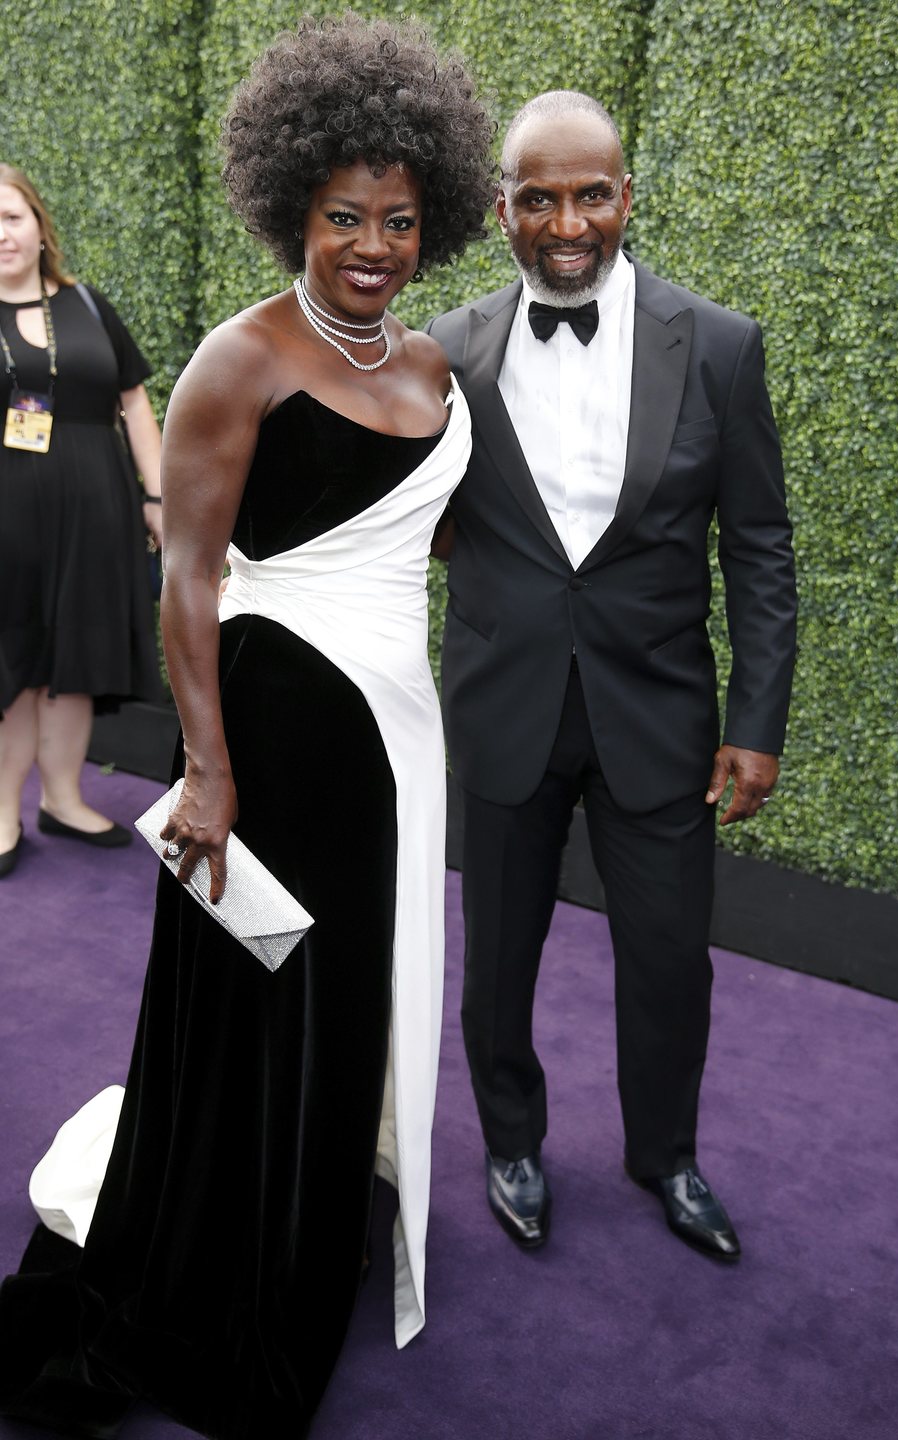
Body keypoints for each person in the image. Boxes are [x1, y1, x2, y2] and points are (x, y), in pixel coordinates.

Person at [0, 15, 491, 1439]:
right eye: (346, 215)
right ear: (294, 206)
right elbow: (192, 579)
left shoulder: (435, 369)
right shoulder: (242, 356)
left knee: (345, 1000)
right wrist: (205, 770)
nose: (374, 244)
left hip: (391, 746)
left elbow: (415, 530)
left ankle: (306, 1214)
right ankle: (221, 1248)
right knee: (257, 1000)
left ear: (434, 221)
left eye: (401, 219)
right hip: (265, 746)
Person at [427, 91, 797, 1259]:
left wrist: (757, 722)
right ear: (504, 211)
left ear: (627, 196)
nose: (568, 221)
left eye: (591, 194)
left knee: (670, 961)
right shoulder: (447, 347)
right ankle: (512, 1142)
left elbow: (759, 547)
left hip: (663, 717)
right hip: (502, 708)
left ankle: (667, 1157)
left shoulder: (722, 345)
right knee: (497, 959)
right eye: (540, 198)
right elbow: (409, 519)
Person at [0, 165, 164, 877]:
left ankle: (62, 799)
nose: (0, 235)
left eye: (9, 217)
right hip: (9, 521)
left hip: (101, 512)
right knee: (15, 662)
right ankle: (2, 808)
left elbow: (133, 403)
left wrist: (157, 498)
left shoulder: (89, 305)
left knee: (74, 659)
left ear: (39, 225)